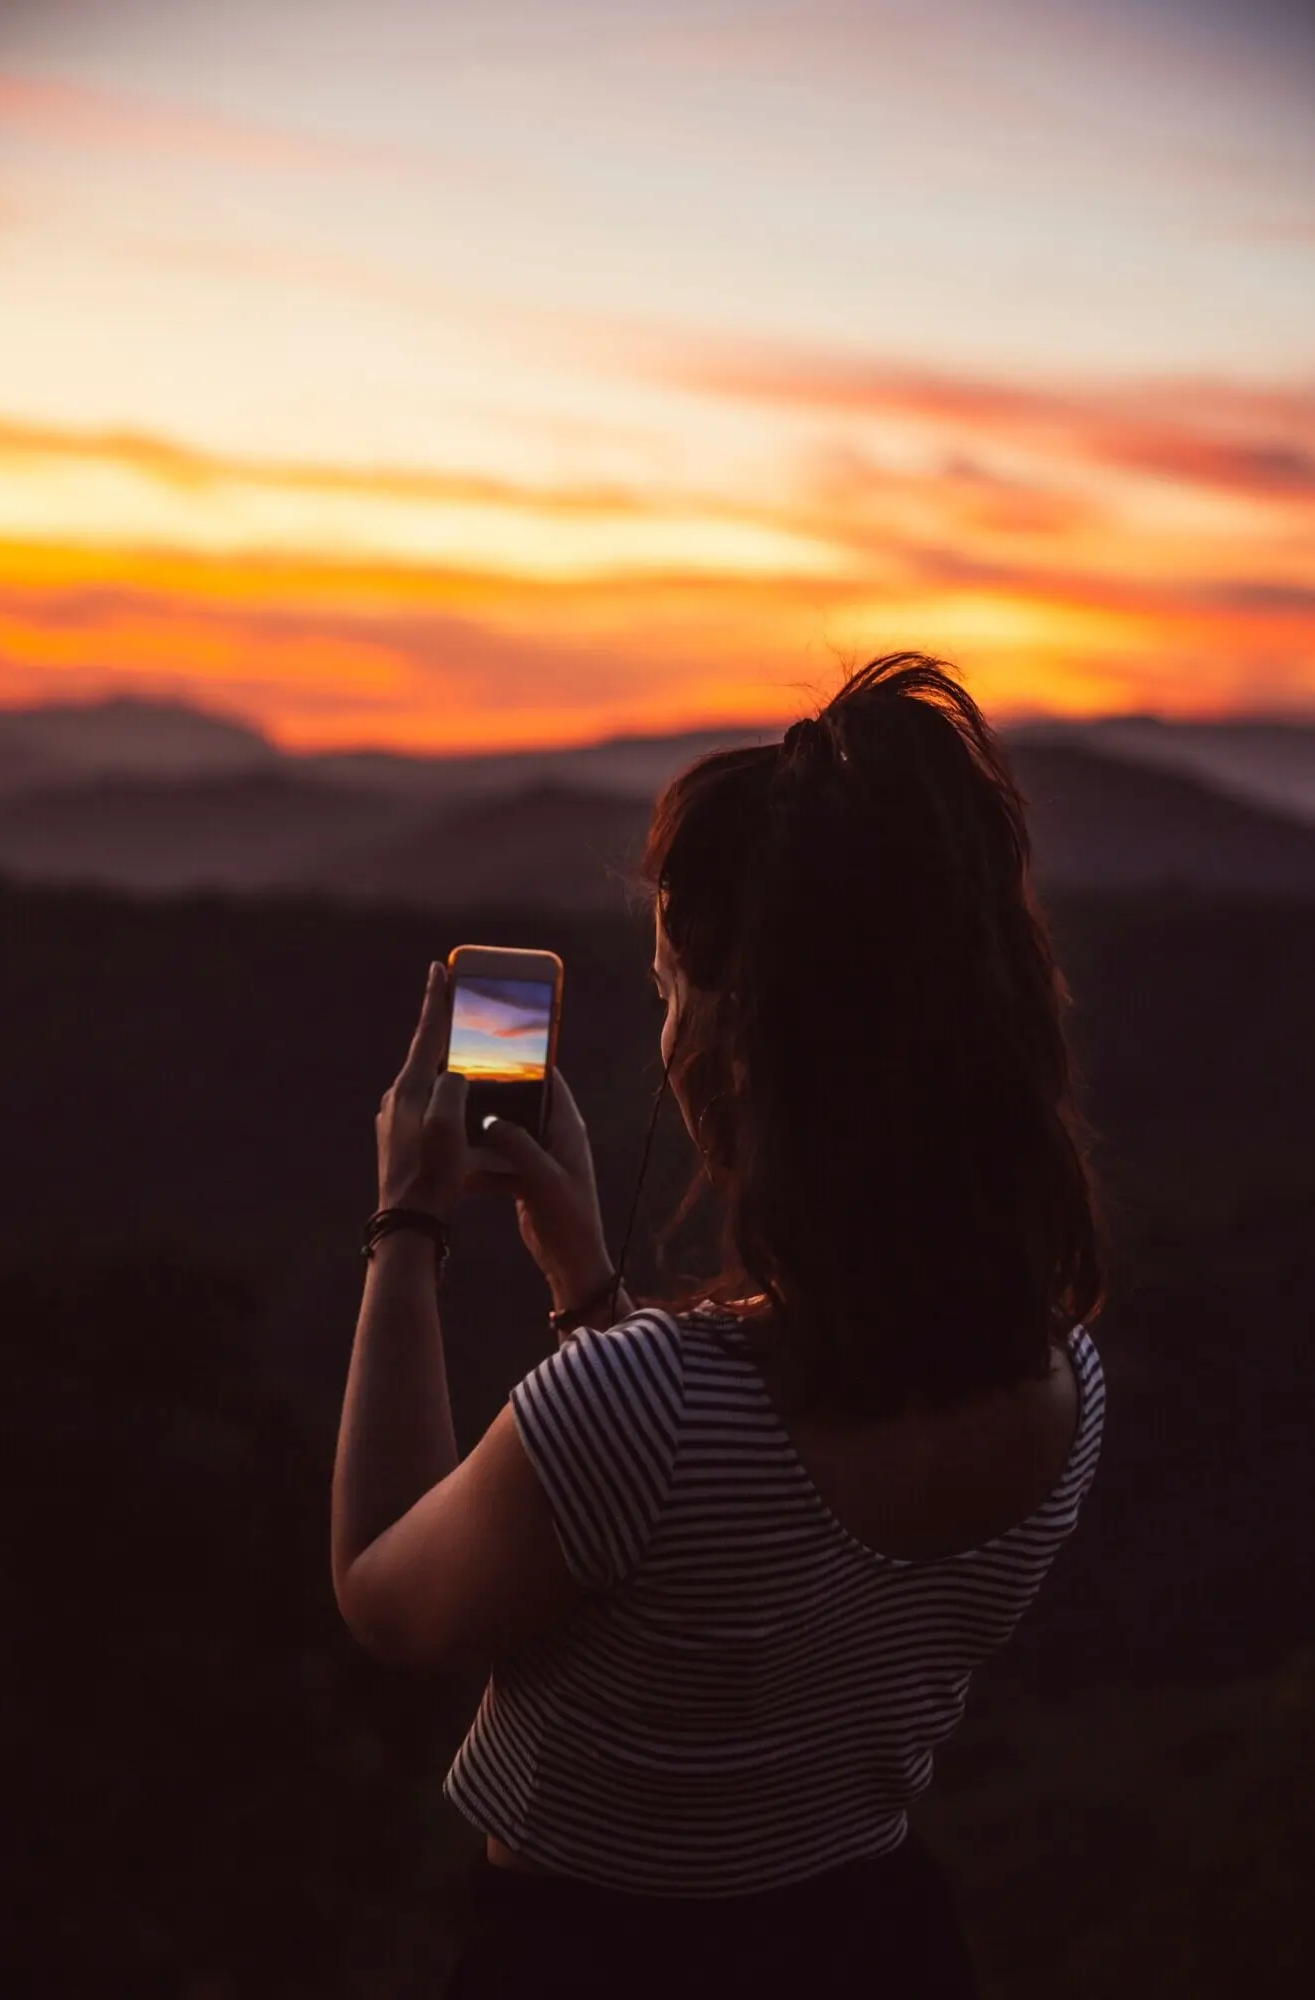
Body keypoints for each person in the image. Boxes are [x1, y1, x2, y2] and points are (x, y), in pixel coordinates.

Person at [331, 655, 1107, 1999]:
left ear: (741, 1043)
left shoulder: (647, 1410)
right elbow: (718, 1540)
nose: (667, 1026)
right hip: (879, 1948)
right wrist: (583, 1275)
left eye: (671, 987)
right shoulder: (1065, 1379)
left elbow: (390, 1602)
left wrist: (408, 1229)